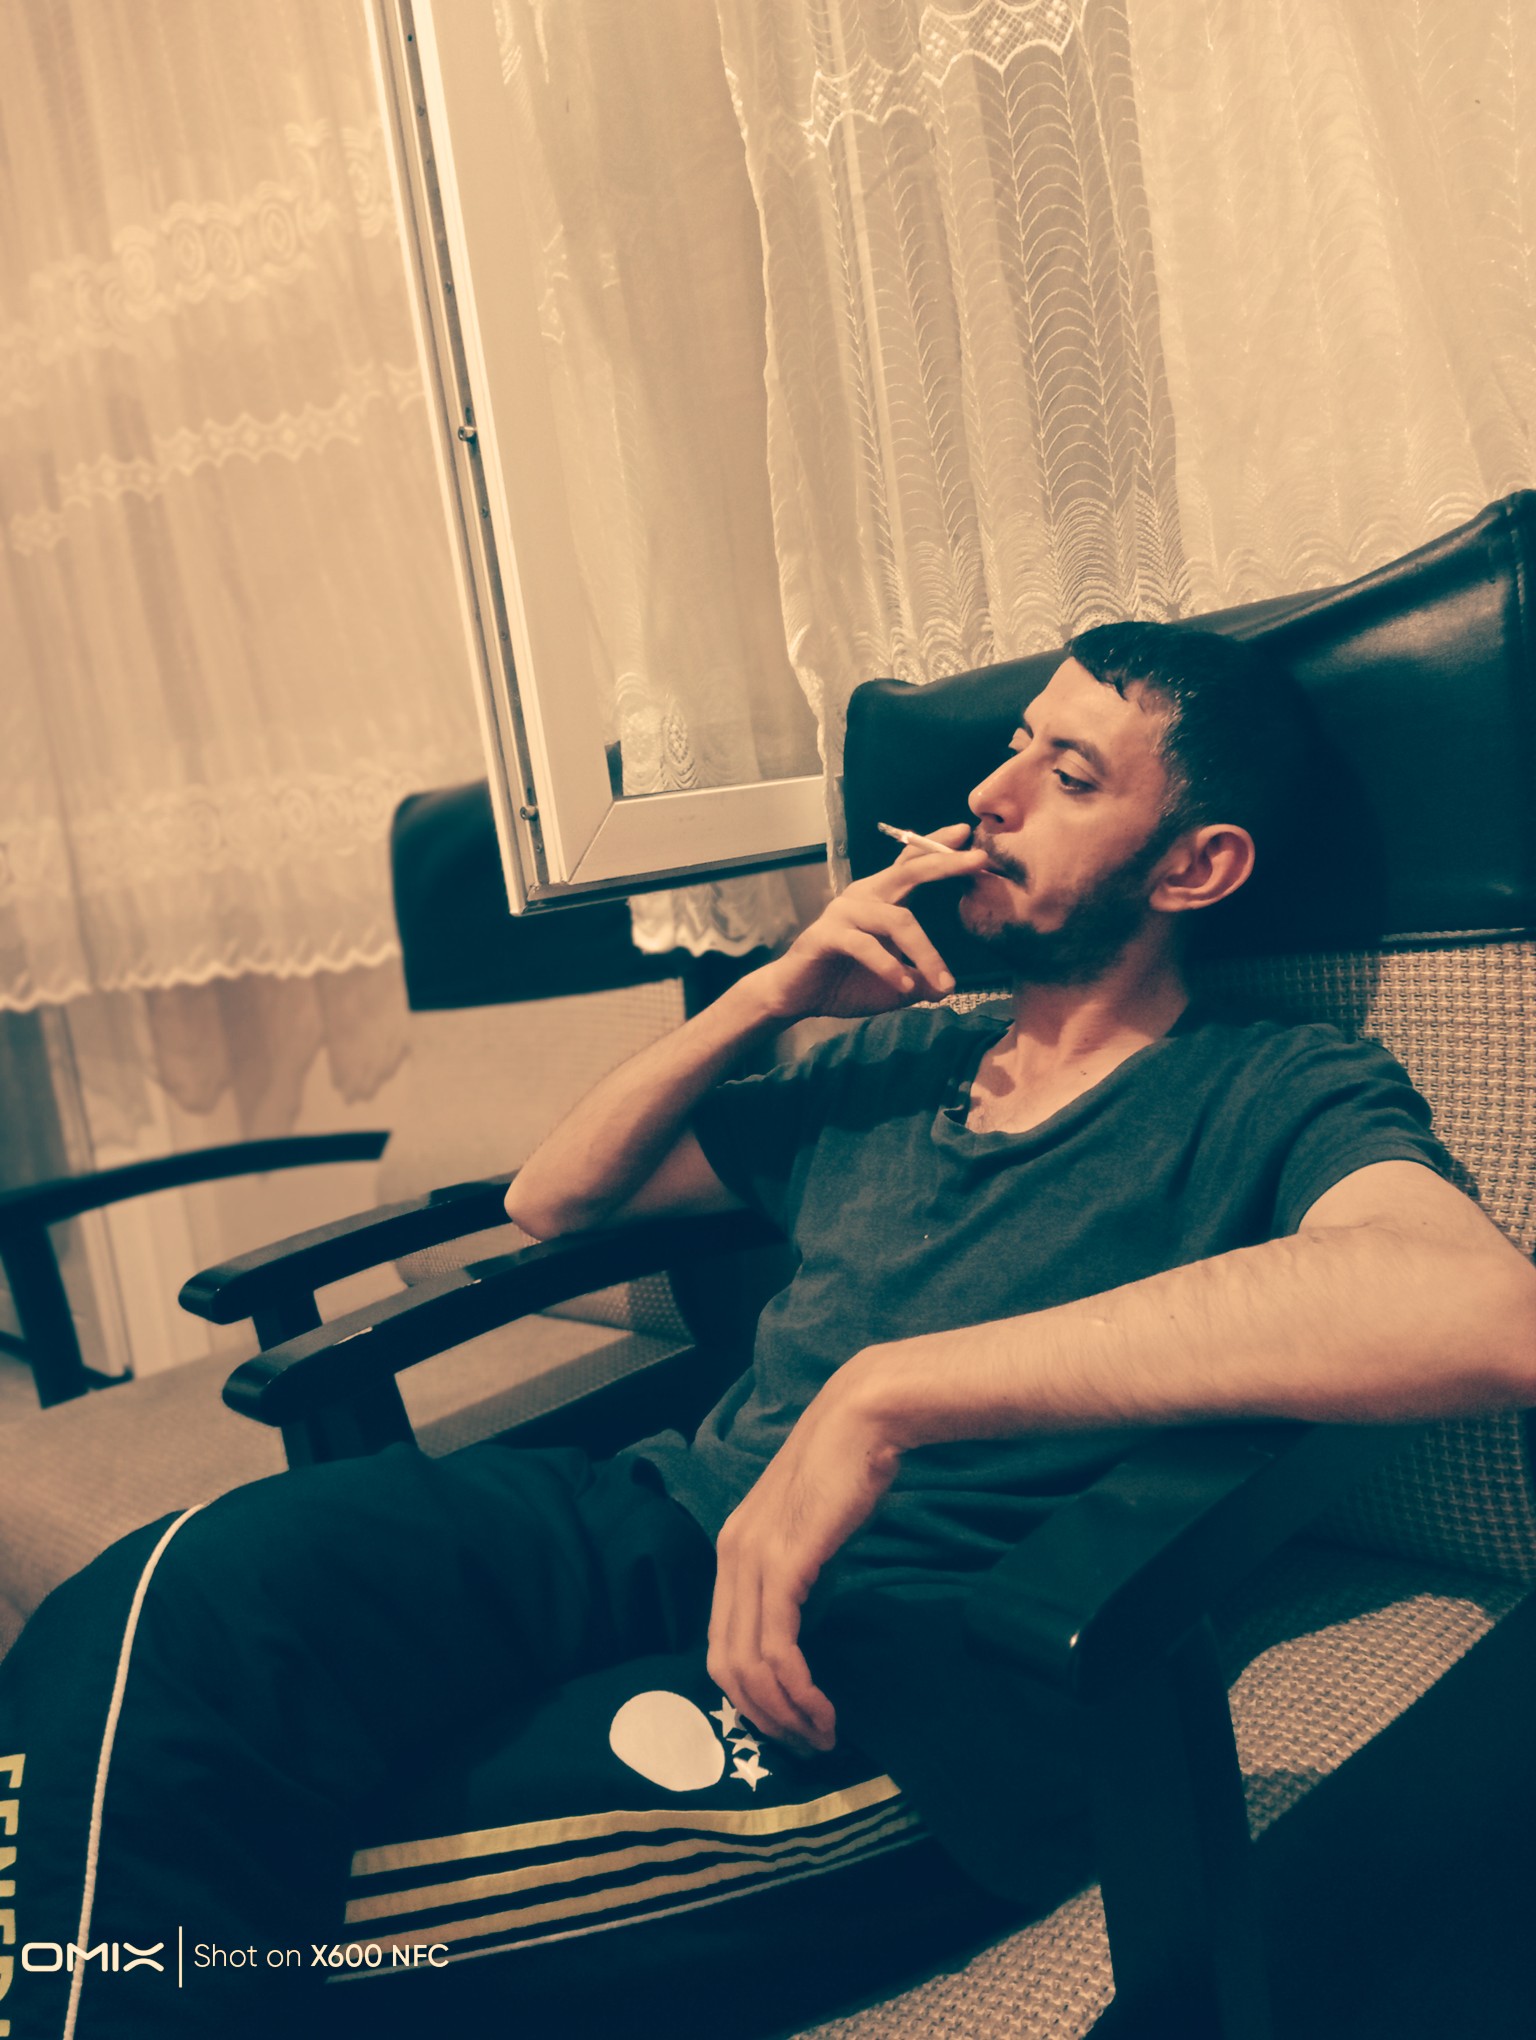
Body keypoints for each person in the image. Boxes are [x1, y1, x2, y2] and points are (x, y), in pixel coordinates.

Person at [3, 625, 1532, 2040]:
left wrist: (888, 1394)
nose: (990, 795)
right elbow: (554, 1199)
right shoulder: (888, 1063)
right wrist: (771, 992)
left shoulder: (1267, 1085)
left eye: (1068, 776)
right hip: (661, 1524)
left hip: (913, 1668)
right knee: (161, 1606)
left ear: (1197, 865)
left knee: (265, 1878)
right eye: (1011, 747)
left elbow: (1481, 1311)